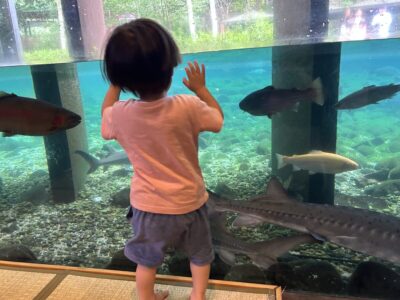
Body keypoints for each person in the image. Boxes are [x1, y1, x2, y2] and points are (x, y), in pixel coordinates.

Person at [101, 18, 224, 300]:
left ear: (121, 78)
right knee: (200, 254)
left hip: (148, 206)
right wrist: (201, 89)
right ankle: (198, 295)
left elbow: (106, 119)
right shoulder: (188, 105)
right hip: (190, 202)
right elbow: (217, 121)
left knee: (146, 259)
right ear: (170, 70)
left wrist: (114, 86)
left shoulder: (120, 114)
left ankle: (146, 297)